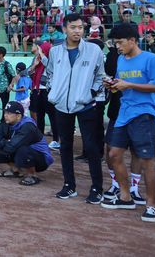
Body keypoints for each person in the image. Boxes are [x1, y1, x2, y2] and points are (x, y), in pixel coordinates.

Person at [101, 24, 155, 223]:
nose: (117, 47)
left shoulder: (151, 59)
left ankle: (151, 205)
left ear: (132, 41)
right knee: (113, 154)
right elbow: (122, 87)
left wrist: (129, 84)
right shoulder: (121, 59)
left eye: (120, 43)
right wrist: (113, 86)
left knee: (147, 161)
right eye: (115, 43)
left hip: (144, 114)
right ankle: (125, 196)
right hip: (124, 113)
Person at [46, 13, 106, 204]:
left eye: (80, 27)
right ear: (64, 29)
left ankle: (97, 188)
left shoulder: (94, 50)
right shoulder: (55, 52)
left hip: (85, 105)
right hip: (62, 105)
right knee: (65, 146)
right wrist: (53, 93)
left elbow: (100, 76)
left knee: (91, 147)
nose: (77, 31)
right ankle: (68, 185)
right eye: (73, 27)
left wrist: (91, 94)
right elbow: (50, 75)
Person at [0, 101, 54, 186]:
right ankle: (15, 170)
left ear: (18, 116)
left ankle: (32, 175)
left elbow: (13, 146)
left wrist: (5, 142)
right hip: (23, 151)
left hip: (42, 160)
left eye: (9, 113)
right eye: (5, 112)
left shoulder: (28, 126)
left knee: (22, 149)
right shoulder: (6, 123)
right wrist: (5, 142)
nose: (5, 115)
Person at [0, 46, 15, 123]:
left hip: (4, 89)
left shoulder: (7, 64)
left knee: (5, 107)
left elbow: (14, 76)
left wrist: (10, 86)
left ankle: (3, 122)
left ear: (1, 54)